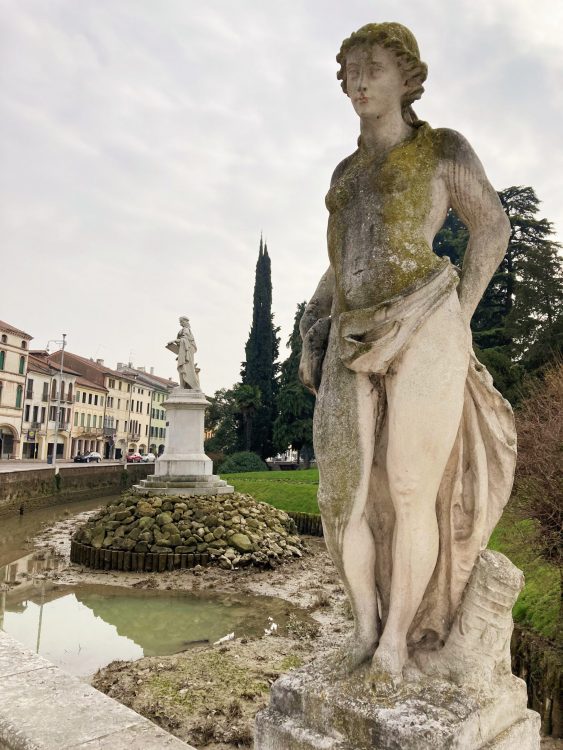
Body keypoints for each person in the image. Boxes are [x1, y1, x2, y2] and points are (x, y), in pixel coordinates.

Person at [299, 22, 516, 681]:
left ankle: (396, 640)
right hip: (347, 329)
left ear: (406, 77)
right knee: (344, 497)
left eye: (373, 67)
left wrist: (462, 313)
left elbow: (492, 227)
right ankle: (363, 628)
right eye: (350, 70)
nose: (359, 80)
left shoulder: (441, 149)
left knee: (410, 486)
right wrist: (313, 323)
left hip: (424, 315)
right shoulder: (345, 173)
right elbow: (339, 261)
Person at [167, 316, 201, 390]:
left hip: (187, 352)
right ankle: (182, 385)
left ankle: (183, 386)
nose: (180, 323)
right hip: (184, 352)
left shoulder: (186, 330)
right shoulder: (184, 330)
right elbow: (183, 340)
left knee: (184, 368)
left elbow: (185, 340)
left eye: (181, 321)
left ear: (185, 321)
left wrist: (174, 341)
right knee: (182, 368)